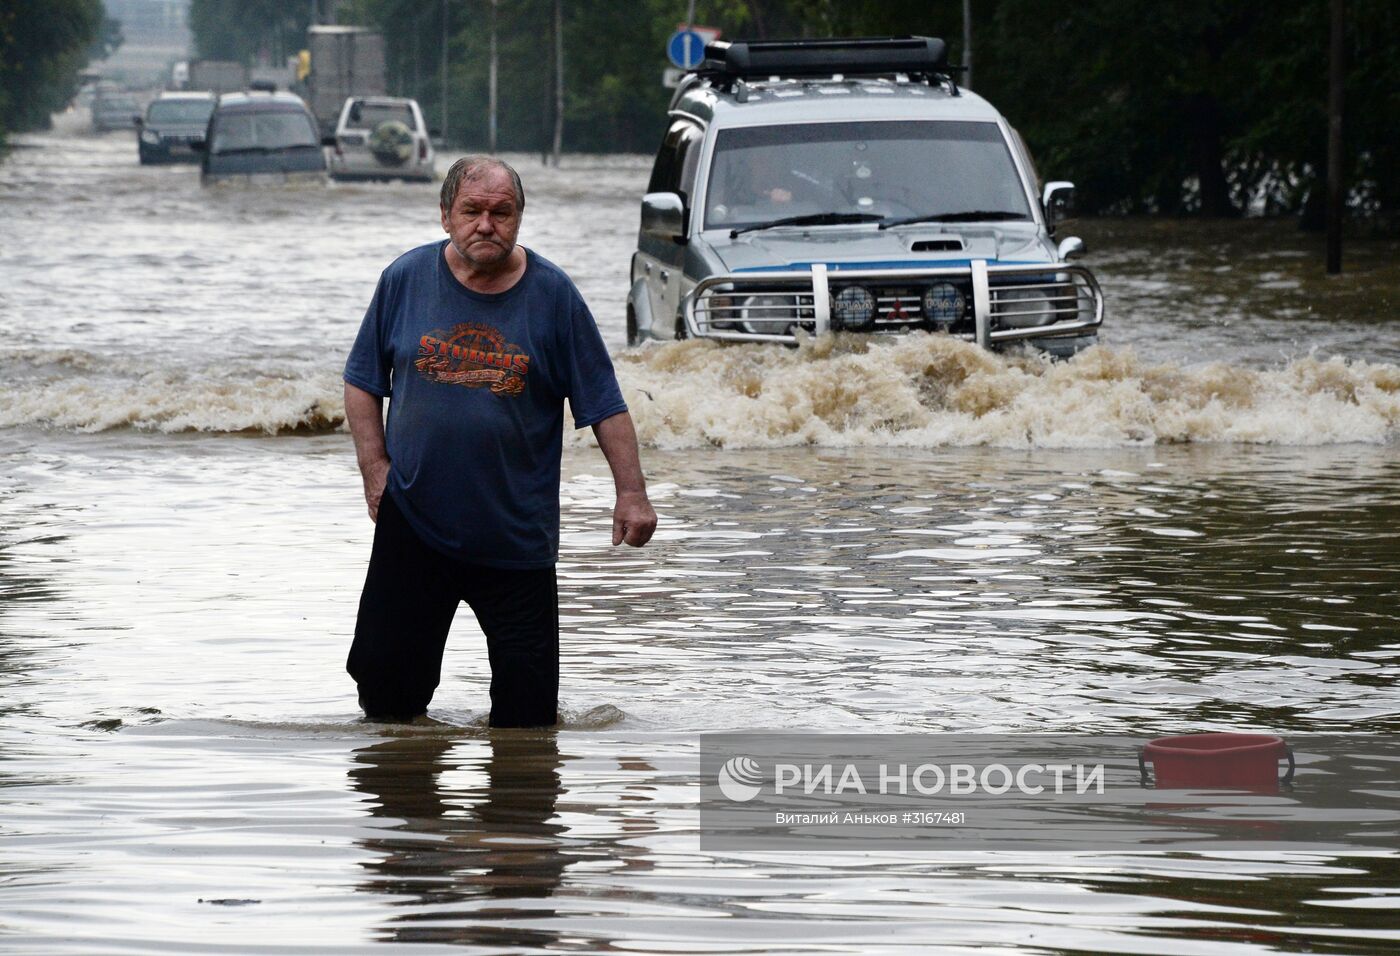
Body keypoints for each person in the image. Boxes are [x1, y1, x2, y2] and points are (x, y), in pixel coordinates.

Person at [343, 155, 657, 728]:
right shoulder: (404, 280)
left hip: (515, 536)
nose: (486, 225)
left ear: (518, 219)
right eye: (472, 211)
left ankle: (515, 811)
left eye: (501, 212)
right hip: (413, 523)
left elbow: (604, 404)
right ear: (445, 215)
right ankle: (408, 804)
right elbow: (363, 382)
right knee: (387, 700)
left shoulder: (554, 296)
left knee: (528, 716)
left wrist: (631, 493)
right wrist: (375, 469)